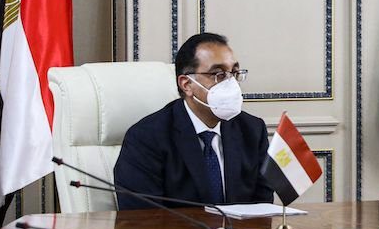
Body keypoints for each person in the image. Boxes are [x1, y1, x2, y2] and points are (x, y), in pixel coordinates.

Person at [114, 32, 273, 210]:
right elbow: (141, 217)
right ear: (187, 84)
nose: (231, 83)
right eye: (218, 74)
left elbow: (262, 207)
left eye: (234, 73)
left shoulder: (252, 130)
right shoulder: (146, 137)